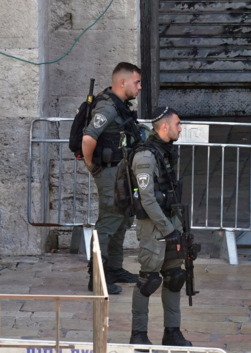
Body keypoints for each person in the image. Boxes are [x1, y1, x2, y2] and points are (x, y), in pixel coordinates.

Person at [129, 106, 193, 347]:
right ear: (164, 126)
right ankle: (138, 334)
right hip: (153, 227)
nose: (180, 128)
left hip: (170, 222)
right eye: (177, 123)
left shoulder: (165, 151)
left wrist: (178, 227)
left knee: (175, 277)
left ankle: (172, 332)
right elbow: (147, 198)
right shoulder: (145, 156)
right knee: (148, 281)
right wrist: (168, 229)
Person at [81, 62, 143, 294]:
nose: (139, 87)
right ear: (122, 82)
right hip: (109, 173)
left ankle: (114, 269)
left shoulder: (120, 106)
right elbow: (88, 139)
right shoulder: (107, 108)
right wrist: (92, 168)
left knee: (121, 219)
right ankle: (96, 276)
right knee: (108, 223)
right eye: (136, 82)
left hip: (121, 172)